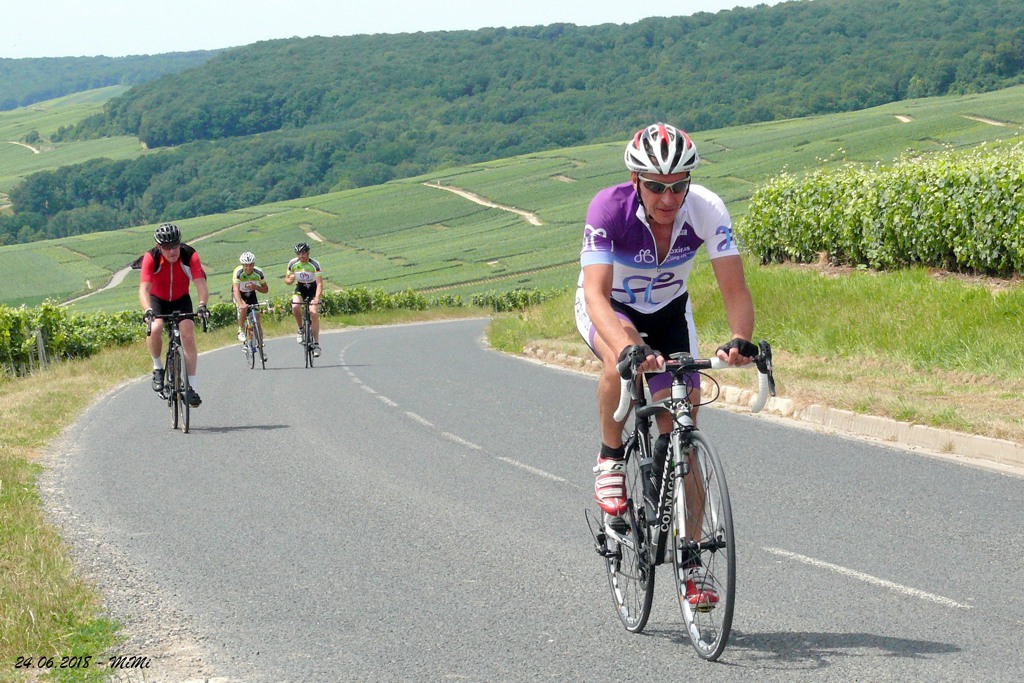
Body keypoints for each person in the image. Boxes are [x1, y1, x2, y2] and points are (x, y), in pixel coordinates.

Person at [575, 122, 757, 609]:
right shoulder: (608, 209)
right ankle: (611, 458)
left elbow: (735, 289)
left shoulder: (707, 210)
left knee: (683, 432)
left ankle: (691, 560)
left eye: (679, 186)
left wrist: (741, 338)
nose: (668, 198)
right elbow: (595, 295)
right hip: (612, 309)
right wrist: (626, 347)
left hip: (671, 311)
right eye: (656, 186)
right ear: (635, 180)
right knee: (620, 362)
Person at [139, 222, 210, 407]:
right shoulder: (151, 258)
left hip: (181, 298)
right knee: (155, 327)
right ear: (159, 247)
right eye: (167, 247)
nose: (172, 251)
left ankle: (191, 387)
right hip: (158, 300)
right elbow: (144, 289)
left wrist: (202, 305)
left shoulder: (189, 255)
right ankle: (158, 367)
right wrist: (148, 309)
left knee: (187, 334)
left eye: (175, 246)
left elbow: (200, 284)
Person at [284, 242, 323, 357]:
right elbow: (287, 280)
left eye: (303, 253)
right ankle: (301, 329)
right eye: (299, 254)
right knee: (295, 306)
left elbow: (320, 284)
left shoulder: (314, 264)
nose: (301, 256)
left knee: (313, 313)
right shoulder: (292, 263)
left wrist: (316, 298)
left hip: (313, 289)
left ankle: (316, 344)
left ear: (308, 253)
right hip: (301, 288)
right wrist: (290, 280)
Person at [232, 251, 270, 361]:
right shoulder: (238, 272)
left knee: (257, 320)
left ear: (254, 264)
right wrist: (240, 303)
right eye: (246, 265)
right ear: (242, 265)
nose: (248, 267)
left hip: (251, 295)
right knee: (243, 309)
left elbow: (265, 289)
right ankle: (240, 330)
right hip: (239, 294)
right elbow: (235, 290)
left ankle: (261, 347)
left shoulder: (258, 273)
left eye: (251, 265)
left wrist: (256, 287)